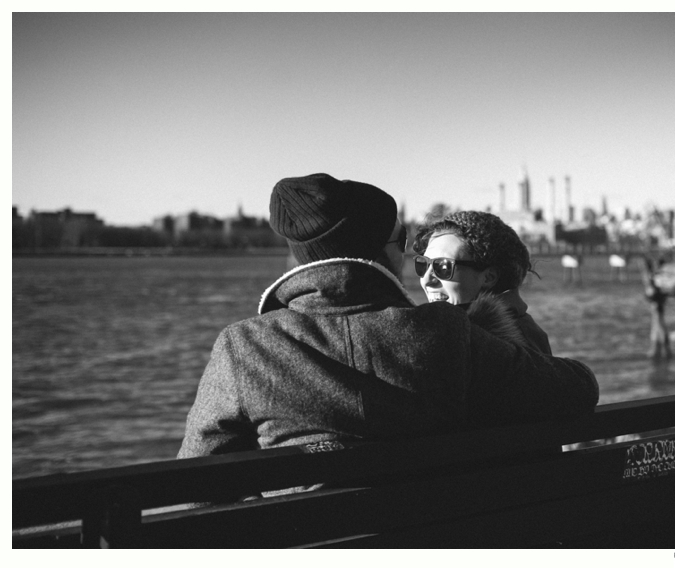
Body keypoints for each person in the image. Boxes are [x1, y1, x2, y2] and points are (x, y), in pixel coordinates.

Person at [178, 174, 598, 469]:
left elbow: (197, 485)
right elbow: (577, 388)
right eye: (404, 244)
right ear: (387, 252)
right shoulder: (444, 332)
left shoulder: (242, 348)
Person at [413, 211, 551, 354]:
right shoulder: (462, 333)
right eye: (423, 265)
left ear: (489, 277)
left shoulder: (508, 347)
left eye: (443, 266)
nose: (426, 280)